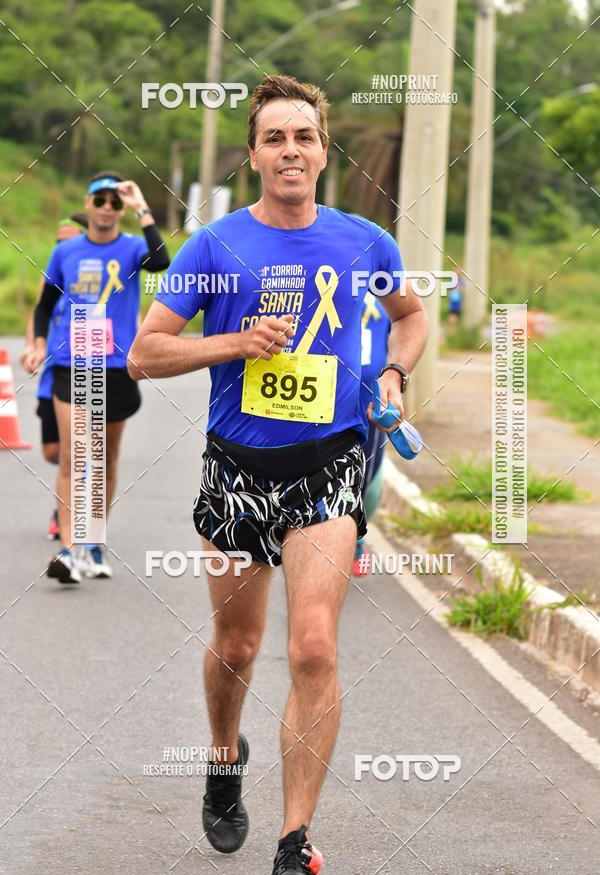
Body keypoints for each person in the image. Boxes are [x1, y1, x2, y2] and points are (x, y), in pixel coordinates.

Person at [127, 75, 428, 873]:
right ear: (254, 155)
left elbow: (411, 314)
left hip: (329, 465)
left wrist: (394, 376)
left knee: (315, 645)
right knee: (236, 642)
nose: (290, 150)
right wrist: (234, 343)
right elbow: (144, 353)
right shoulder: (216, 246)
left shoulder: (367, 240)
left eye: (304, 136)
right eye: (274, 138)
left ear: (324, 151)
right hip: (236, 468)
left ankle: (295, 839)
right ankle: (225, 758)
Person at [27, 171, 170, 584]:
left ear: (120, 209)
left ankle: (92, 541)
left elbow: (161, 260)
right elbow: (43, 306)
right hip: (72, 362)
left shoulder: (131, 248)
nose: (107, 207)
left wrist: (142, 205)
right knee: (75, 455)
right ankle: (69, 549)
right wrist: (37, 342)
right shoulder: (66, 251)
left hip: (116, 366)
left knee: (104, 458)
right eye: (100, 200)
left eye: (114, 201)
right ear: (88, 205)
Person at [21, 213, 88, 541]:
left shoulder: (94, 280)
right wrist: (32, 347)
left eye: (68, 241)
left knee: (73, 453)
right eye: (57, 242)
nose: (61, 247)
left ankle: (67, 517)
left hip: (85, 374)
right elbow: (40, 312)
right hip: (53, 373)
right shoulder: (53, 275)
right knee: (52, 451)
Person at [352, 292, 391, 577]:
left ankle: (357, 538)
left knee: (367, 475)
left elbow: (406, 330)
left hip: (371, 401)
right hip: (333, 396)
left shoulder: (391, 298)